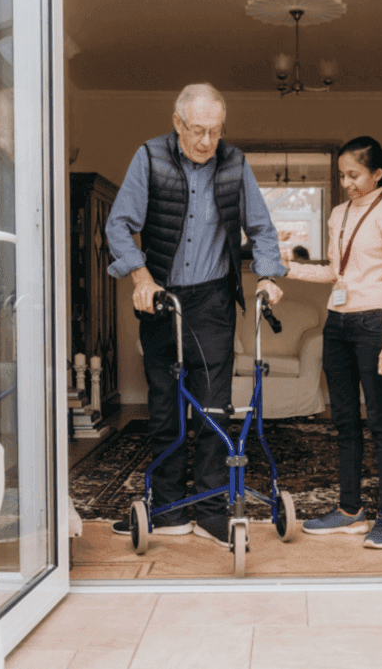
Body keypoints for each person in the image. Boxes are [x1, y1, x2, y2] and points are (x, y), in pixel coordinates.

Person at [104, 83, 286, 547]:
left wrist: (267, 275)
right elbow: (119, 224)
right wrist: (141, 278)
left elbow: (261, 227)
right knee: (165, 403)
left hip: (212, 300)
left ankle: (210, 509)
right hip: (162, 295)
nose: (208, 141)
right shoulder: (149, 158)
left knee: (211, 405)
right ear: (177, 122)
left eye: (216, 131)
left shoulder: (235, 163)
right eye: (198, 130)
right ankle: (168, 509)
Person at [286, 136, 382, 549]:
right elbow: (335, 274)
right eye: (341, 175)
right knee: (343, 419)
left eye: (354, 174)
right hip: (337, 324)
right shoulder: (337, 214)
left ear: (377, 174)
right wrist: (290, 269)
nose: (346, 183)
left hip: (374, 324)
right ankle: (350, 509)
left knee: (380, 419)